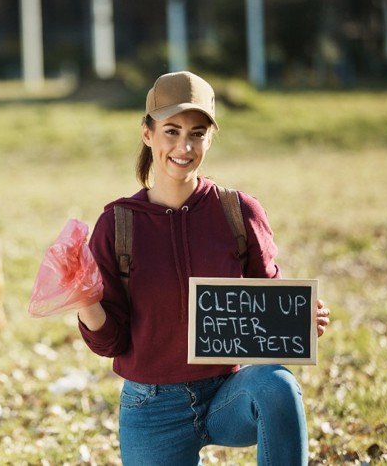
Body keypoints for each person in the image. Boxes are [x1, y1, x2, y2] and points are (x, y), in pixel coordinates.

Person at [75, 71, 331, 464]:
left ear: (210, 137)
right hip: (152, 406)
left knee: (277, 385)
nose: (184, 145)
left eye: (197, 133)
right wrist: (83, 300)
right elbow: (110, 342)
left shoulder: (237, 211)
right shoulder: (118, 223)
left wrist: (297, 320)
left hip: (229, 393)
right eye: (172, 131)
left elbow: (268, 298)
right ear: (148, 133)